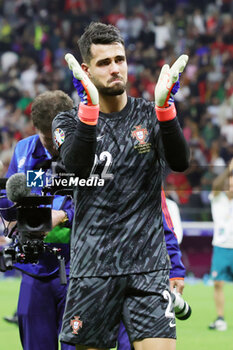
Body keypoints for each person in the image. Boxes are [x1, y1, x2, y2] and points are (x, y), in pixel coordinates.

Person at [52, 22, 190, 350]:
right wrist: (88, 110)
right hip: (92, 268)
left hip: (147, 267)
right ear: (85, 70)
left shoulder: (151, 113)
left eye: (120, 59)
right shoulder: (67, 121)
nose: (115, 68)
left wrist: (165, 111)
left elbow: (180, 161)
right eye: (104, 63)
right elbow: (76, 164)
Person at [0, 90, 75, 350]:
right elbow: (7, 198)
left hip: (77, 269)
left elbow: (100, 201)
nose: (53, 145)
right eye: (46, 138)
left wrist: (63, 215)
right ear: (36, 128)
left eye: (58, 137)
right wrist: (11, 216)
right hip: (35, 269)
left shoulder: (86, 154)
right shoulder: (23, 151)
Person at [117, 190, 186, 350]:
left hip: (141, 272)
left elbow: (165, 225)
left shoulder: (148, 174)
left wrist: (176, 268)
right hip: (96, 271)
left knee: (129, 341)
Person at [208, 158, 233, 331]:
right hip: (221, 247)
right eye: (229, 184)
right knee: (218, 283)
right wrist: (228, 169)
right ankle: (220, 318)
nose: (230, 187)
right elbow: (216, 183)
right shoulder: (217, 198)